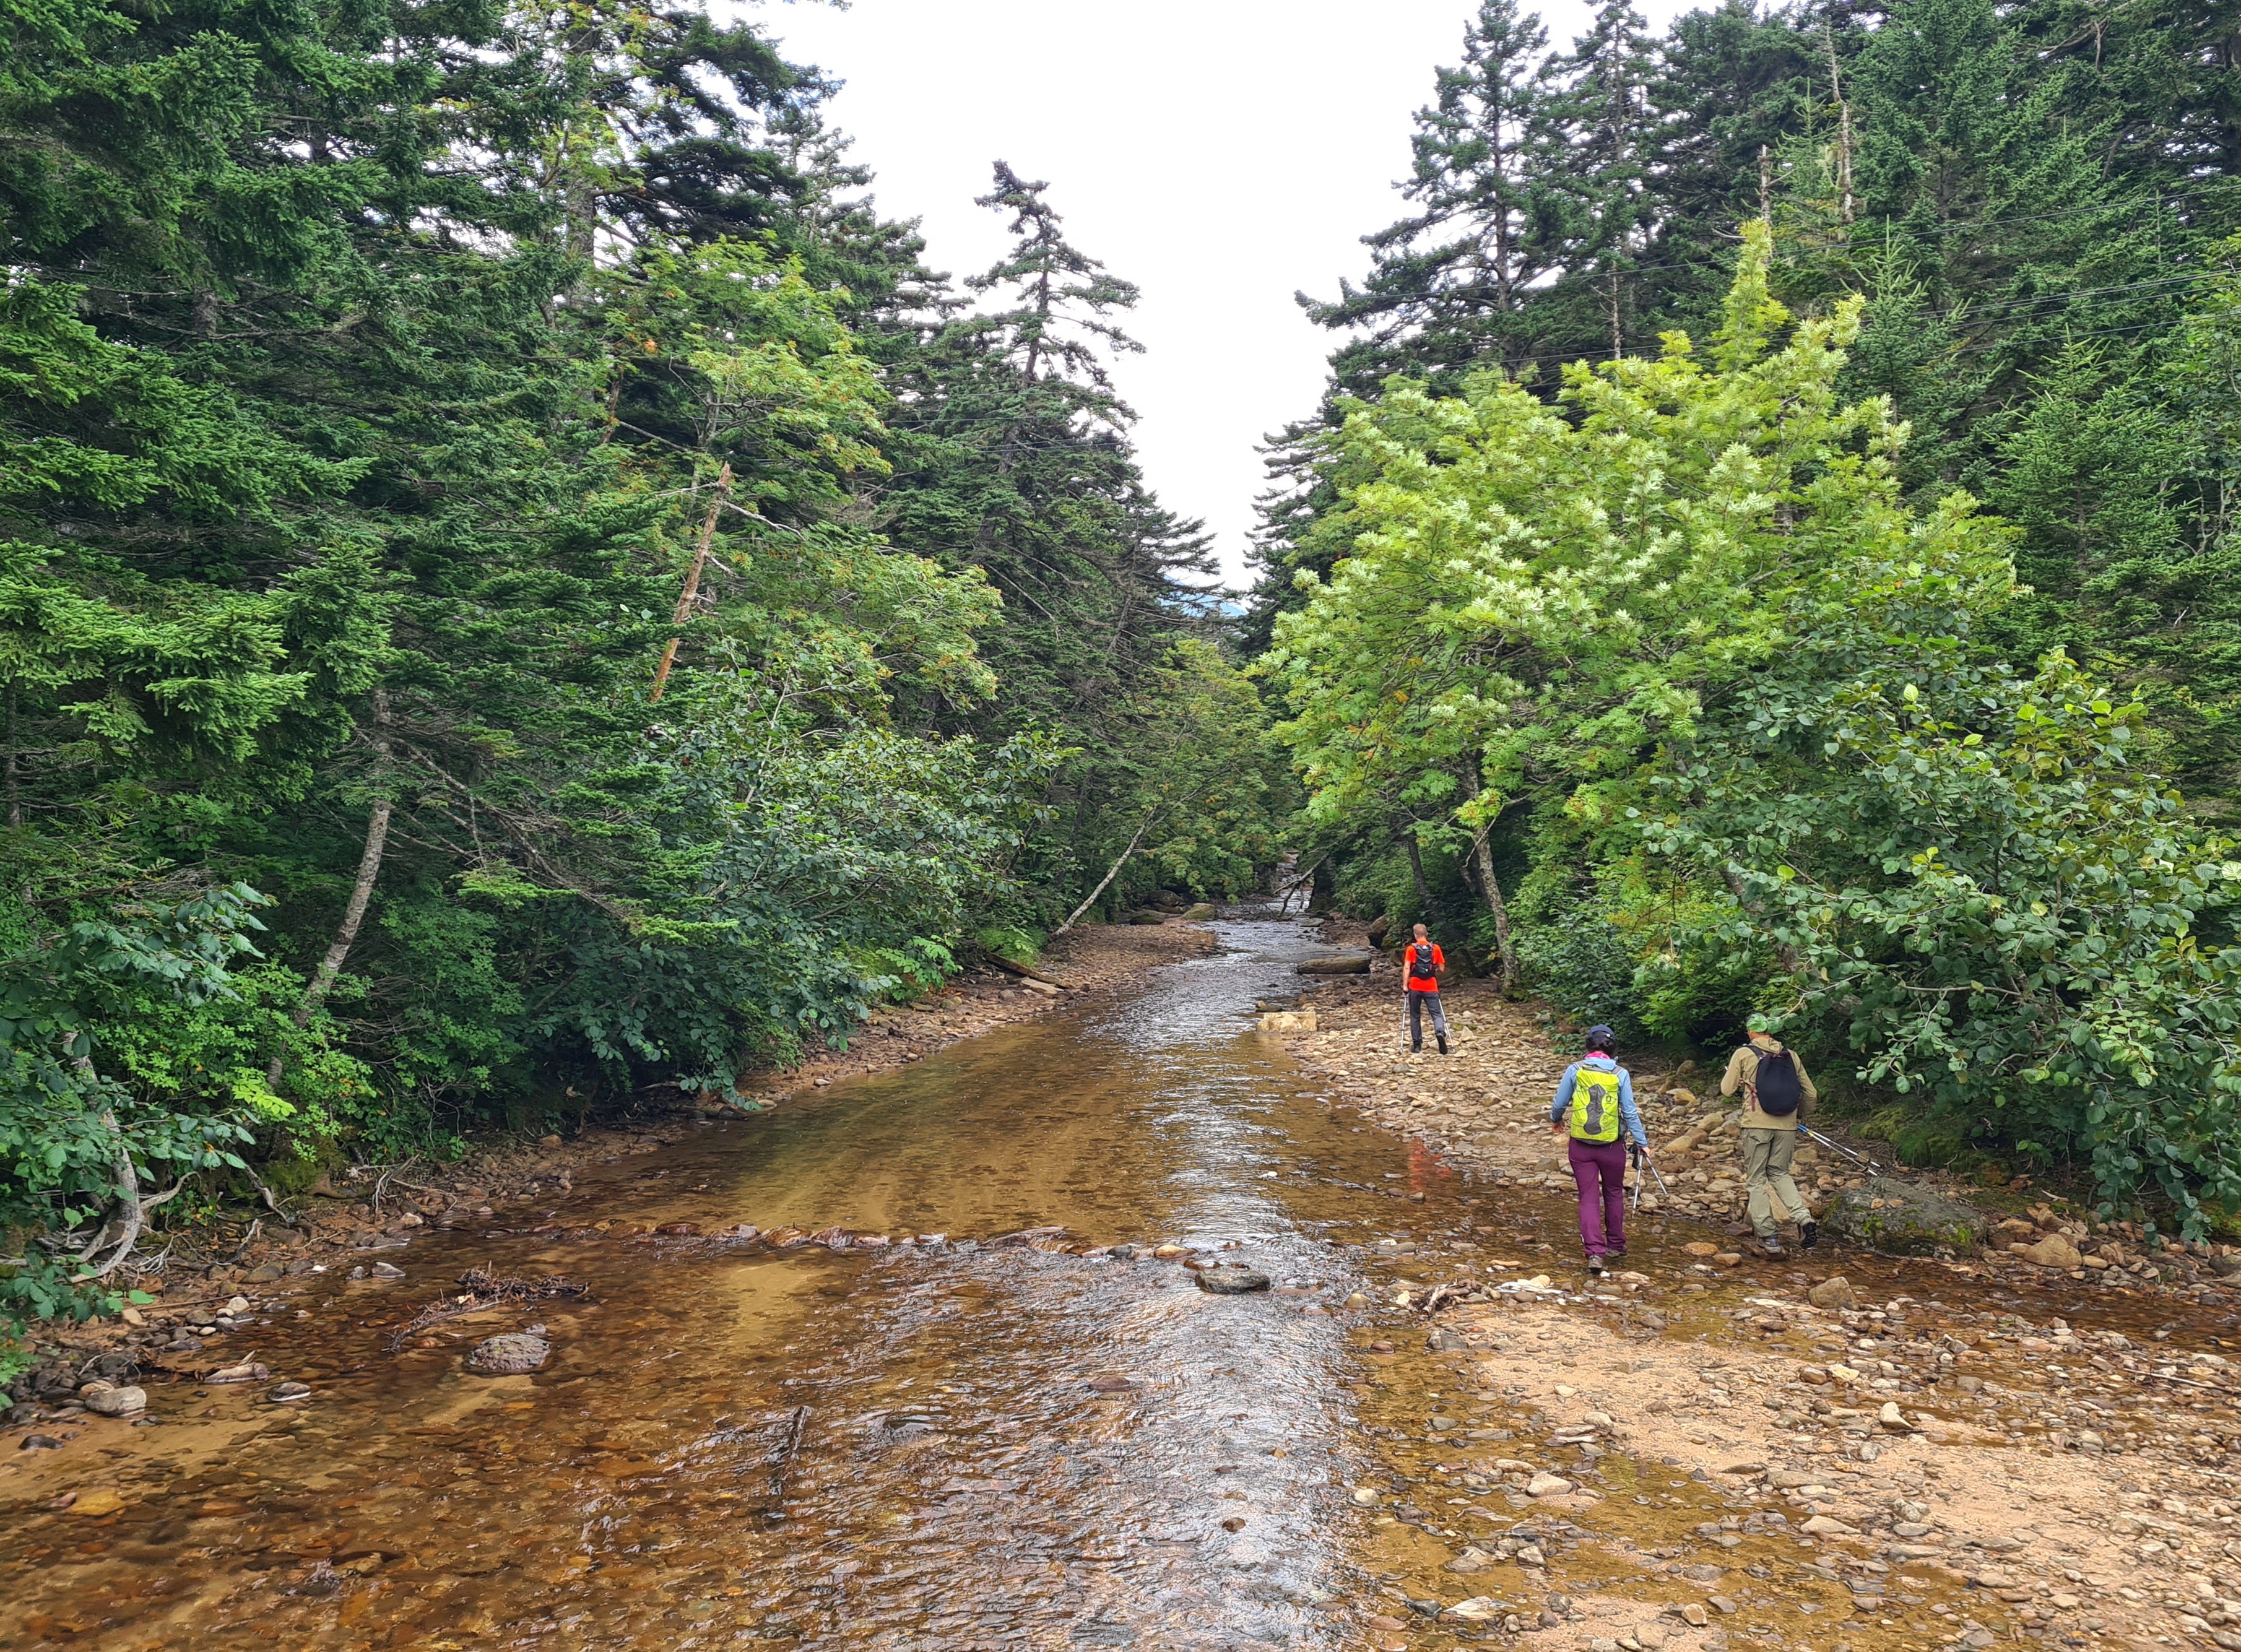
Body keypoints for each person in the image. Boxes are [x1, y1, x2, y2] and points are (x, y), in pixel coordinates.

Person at [1549, 1024, 1649, 1276]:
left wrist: (1556, 1119)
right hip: (1612, 1145)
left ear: (1587, 1046)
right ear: (1612, 1049)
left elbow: (1560, 1103)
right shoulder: (1620, 1073)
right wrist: (1642, 1142)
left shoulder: (1575, 1069)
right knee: (1614, 1193)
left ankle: (1595, 1252)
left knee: (1589, 1197)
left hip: (1581, 1145)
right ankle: (1616, 1245)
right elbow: (1629, 1111)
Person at [1721, 1012, 1819, 1256]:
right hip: (1787, 1125)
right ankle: (1803, 1218)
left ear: (1751, 1032)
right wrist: (1799, 1116)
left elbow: (1726, 1090)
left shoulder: (1743, 1053)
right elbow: (1811, 1094)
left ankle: (1769, 1237)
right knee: (1779, 1172)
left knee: (1756, 1180)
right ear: (1770, 1031)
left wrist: (1738, 1078)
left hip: (1756, 1125)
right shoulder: (1791, 1055)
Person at [1401, 923, 1449, 1055]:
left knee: (1415, 1015)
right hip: (1431, 986)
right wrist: (1433, 969)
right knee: (1436, 1014)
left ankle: (1417, 1045)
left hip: (1415, 986)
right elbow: (1442, 968)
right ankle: (1440, 1032)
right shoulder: (1436, 948)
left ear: (1415, 935)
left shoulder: (1411, 949)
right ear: (1427, 934)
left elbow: (1407, 967)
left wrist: (1405, 986)